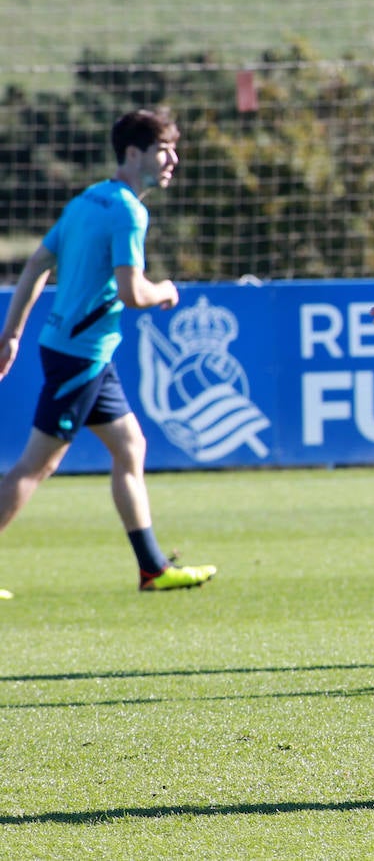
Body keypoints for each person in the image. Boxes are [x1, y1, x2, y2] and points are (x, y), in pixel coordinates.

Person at [0, 108, 216, 593]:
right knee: (37, 465)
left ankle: (152, 567)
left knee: (130, 446)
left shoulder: (88, 200)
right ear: (134, 153)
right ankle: (152, 567)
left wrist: (12, 332)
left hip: (78, 349)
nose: (173, 160)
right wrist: (167, 290)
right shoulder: (128, 211)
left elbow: (36, 264)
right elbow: (134, 293)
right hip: (81, 355)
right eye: (164, 150)